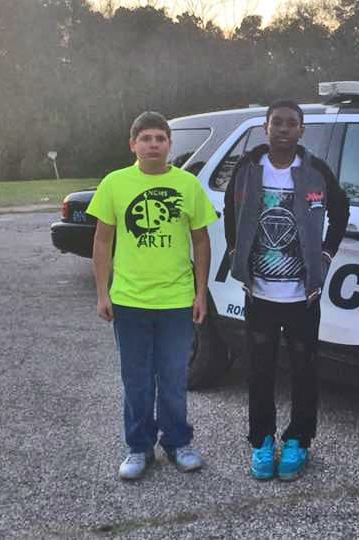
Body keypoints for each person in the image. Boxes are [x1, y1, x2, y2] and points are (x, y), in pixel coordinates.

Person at [88, 111, 218, 480]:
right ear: (133, 145)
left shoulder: (187, 185)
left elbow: (201, 241)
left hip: (176, 301)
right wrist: (102, 292)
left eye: (160, 138)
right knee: (137, 380)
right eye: (145, 138)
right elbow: (102, 240)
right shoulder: (115, 183)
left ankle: (178, 442)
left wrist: (200, 293)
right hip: (129, 301)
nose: (153, 144)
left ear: (169, 145)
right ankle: (138, 447)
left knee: (174, 378)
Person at [224, 100, 349, 481]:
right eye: (276, 122)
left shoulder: (316, 171)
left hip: (303, 298)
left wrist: (325, 256)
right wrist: (236, 254)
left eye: (291, 123)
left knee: (304, 372)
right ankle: (261, 440)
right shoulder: (248, 169)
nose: (283, 128)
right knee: (259, 372)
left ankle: (298, 440)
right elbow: (230, 210)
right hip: (260, 295)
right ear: (265, 127)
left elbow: (341, 212)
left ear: (301, 130)